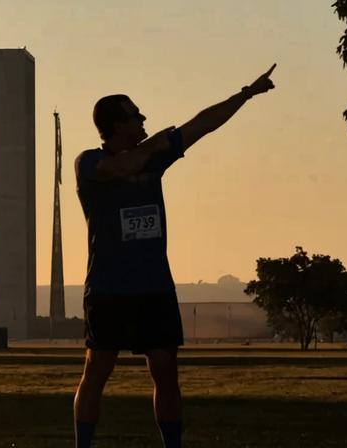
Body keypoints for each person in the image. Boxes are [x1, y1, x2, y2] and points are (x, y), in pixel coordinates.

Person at [73, 65, 276, 448]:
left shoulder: (156, 156)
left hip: (154, 287)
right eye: (136, 115)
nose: (144, 118)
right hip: (107, 288)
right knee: (96, 370)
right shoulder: (87, 162)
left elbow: (204, 123)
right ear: (117, 125)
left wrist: (246, 93)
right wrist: (158, 144)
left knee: (166, 371)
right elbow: (122, 165)